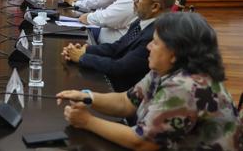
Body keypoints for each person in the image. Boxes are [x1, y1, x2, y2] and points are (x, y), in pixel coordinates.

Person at [57, 12, 241, 150]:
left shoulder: (186, 86)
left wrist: (87, 121)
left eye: (156, 43)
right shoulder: (165, 70)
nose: (148, 46)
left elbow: (143, 142)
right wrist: (87, 97)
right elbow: (126, 102)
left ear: (174, 53)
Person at [61, 0, 177, 92]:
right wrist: (86, 50)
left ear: (155, 6)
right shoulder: (142, 21)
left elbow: (121, 68)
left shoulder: (156, 36)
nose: (134, 1)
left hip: (125, 92)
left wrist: (82, 58)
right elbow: (117, 47)